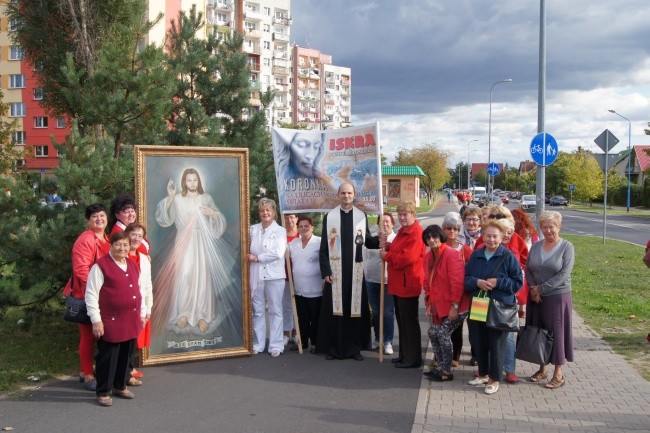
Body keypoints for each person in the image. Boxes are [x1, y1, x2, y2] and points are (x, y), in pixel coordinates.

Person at [151, 168, 239, 337]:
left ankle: (202, 315)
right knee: (184, 276)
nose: (192, 183)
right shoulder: (177, 199)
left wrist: (212, 213)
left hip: (202, 242)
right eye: (189, 180)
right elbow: (164, 218)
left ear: (199, 181)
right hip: (184, 242)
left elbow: (219, 221)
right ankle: (183, 313)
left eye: (195, 180)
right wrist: (170, 196)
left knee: (202, 277)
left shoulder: (206, 198)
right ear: (184, 182)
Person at [317, 182, 379, 361]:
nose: (346, 196)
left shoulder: (361, 216)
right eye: (343, 193)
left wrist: (380, 240)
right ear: (338, 195)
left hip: (355, 272)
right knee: (336, 310)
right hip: (335, 273)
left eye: (349, 193)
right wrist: (325, 271)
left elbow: (366, 240)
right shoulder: (330, 217)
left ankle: (354, 348)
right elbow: (323, 249)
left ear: (354, 195)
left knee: (355, 309)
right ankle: (333, 348)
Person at [85, 231, 145, 407]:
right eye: (118, 244)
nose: (122, 248)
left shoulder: (132, 265)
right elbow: (91, 295)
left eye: (125, 245)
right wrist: (96, 320)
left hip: (130, 319)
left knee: (126, 356)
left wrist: (141, 313)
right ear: (110, 246)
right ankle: (103, 391)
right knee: (108, 357)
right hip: (111, 321)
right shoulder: (101, 266)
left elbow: (138, 290)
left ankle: (120, 385)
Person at [465, 220, 523, 395]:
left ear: (502, 237)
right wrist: (477, 282)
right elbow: (466, 279)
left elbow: (517, 283)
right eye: (488, 236)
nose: (491, 240)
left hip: (500, 307)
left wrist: (499, 282)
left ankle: (494, 378)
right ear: (483, 236)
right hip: (479, 304)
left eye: (495, 236)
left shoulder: (508, 257)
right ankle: (483, 373)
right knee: (479, 340)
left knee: (497, 343)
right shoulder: (476, 255)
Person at [525, 210, 575, 389]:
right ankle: (542, 368)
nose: (548, 231)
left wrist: (541, 289)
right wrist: (533, 288)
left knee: (557, 333)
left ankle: (558, 374)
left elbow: (563, 274)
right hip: (536, 297)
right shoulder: (537, 245)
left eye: (551, 227)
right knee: (540, 331)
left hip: (557, 297)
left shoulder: (566, 247)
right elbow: (528, 268)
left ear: (559, 227)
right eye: (544, 227)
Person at [64, 203, 110, 391]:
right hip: (86, 294)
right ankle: (87, 374)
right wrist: (96, 290)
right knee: (88, 335)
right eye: (94, 217)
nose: (99, 219)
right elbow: (81, 270)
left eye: (102, 216)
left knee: (95, 334)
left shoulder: (105, 237)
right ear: (88, 221)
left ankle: (87, 370)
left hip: (101, 292)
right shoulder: (86, 240)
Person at [380, 200, 426, 368]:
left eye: (405, 214)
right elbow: (398, 249)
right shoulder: (403, 231)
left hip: (408, 283)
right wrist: (389, 245)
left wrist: (387, 256)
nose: (402, 217)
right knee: (402, 321)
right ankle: (404, 355)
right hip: (399, 283)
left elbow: (406, 258)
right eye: (399, 214)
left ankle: (413, 359)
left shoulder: (416, 233)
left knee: (409, 323)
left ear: (413, 215)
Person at [422, 225, 469, 382]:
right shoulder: (429, 257)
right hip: (439, 304)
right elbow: (427, 284)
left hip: (458, 306)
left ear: (441, 236)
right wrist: (428, 303)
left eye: (434, 236)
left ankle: (447, 372)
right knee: (433, 332)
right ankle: (440, 367)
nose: (432, 239)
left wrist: (454, 306)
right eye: (428, 237)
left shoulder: (451, 254)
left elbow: (457, 283)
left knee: (442, 333)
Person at [249, 198, 287, 357]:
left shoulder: (280, 231)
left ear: (274, 213)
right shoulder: (252, 229)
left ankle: (276, 345)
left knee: (275, 310)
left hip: (274, 276)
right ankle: (258, 344)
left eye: (268, 210)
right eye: (262, 210)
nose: (265, 213)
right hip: (256, 276)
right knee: (257, 311)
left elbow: (278, 253)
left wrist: (258, 258)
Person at [363, 212, 397, 355]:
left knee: (388, 313)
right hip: (371, 280)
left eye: (387, 222)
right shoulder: (371, 239)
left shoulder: (395, 239)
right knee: (376, 313)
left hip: (387, 280)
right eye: (381, 222)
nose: (384, 224)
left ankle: (388, 341)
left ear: (392, 223)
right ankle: (378, 338)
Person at [288, 216, 323, 353]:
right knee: (302, 318)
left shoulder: (319, 242)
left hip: (315, 288)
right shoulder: (293, 244)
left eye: (306, 226)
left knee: (315, 318)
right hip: (299, 289)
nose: (303, 228)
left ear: (312, 227)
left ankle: (315, 342)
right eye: (301, 226)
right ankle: (302, 342)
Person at [441, 212, 472, 367]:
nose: (452, 231)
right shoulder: (439, 248)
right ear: (443, 229)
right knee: (440, 326)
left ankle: (456, 356)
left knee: (456, 327)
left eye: (455, 228)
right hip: (441, 294)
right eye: (448, 228)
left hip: (459, 295)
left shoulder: (465, 250)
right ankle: (441, 355)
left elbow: (471, 271)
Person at [124, 223, 153, 386]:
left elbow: (148, 285)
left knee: (133, 339)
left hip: (139, 306)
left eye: (140, 236)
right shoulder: (120, 255)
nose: (136, 238)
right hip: (123, 306)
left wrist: (148, 308)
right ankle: (124, 373)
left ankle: (128, 370)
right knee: (123, 340)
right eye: (133, 234)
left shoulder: (143, 259)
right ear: (127, 234)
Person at [283, 213, 299, 347]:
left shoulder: (301, 235)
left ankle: (295, 333)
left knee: (298, 306)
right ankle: (285, 334)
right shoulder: (280, 236)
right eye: (287, 217)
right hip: (284, 276)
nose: (290, 220)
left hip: (299, 277)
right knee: (286, 305)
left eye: (292, 217)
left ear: (296, 219)